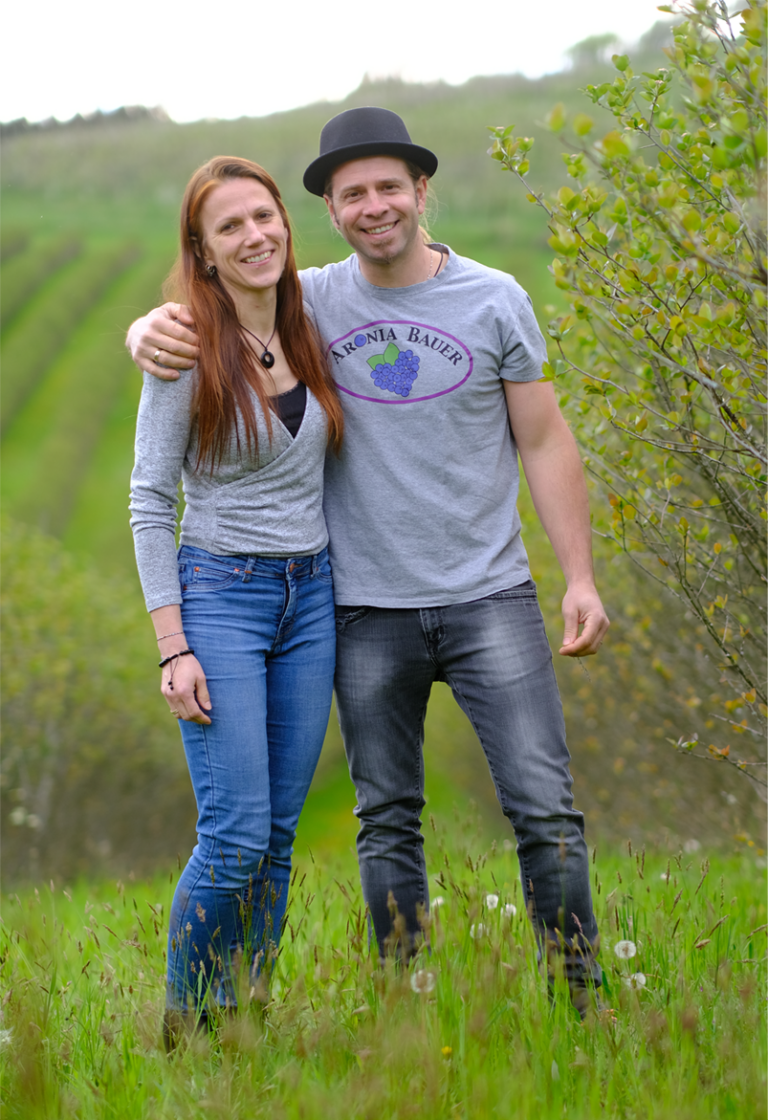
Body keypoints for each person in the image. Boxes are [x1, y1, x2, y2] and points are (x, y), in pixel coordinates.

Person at [127, 108, 610, 1015]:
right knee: (360, 823)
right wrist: (146, 329)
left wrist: (578, 576)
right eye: (353, 194)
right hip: (343, 607)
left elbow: (545, 439)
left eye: (390, 186)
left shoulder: (478, 298)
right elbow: (186, 380)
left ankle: (582, 1001)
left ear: (423, 191)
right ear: (332, 211)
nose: (375, 205)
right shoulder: (304, 302)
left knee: (543, 810)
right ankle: (359, 1005)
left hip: (467, 595)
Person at [129, 156, 344, 1044]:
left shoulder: (312, 320)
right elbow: (148, 497)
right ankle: (185, 1023)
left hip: (314, 599)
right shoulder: (183, 347)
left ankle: (247, 1018)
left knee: (280, 837)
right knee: (234, 836)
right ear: (203, 252)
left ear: (286, 225)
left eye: (265, 216)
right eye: (230, 227)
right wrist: (172, 645)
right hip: (222, 596)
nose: (254, 235)